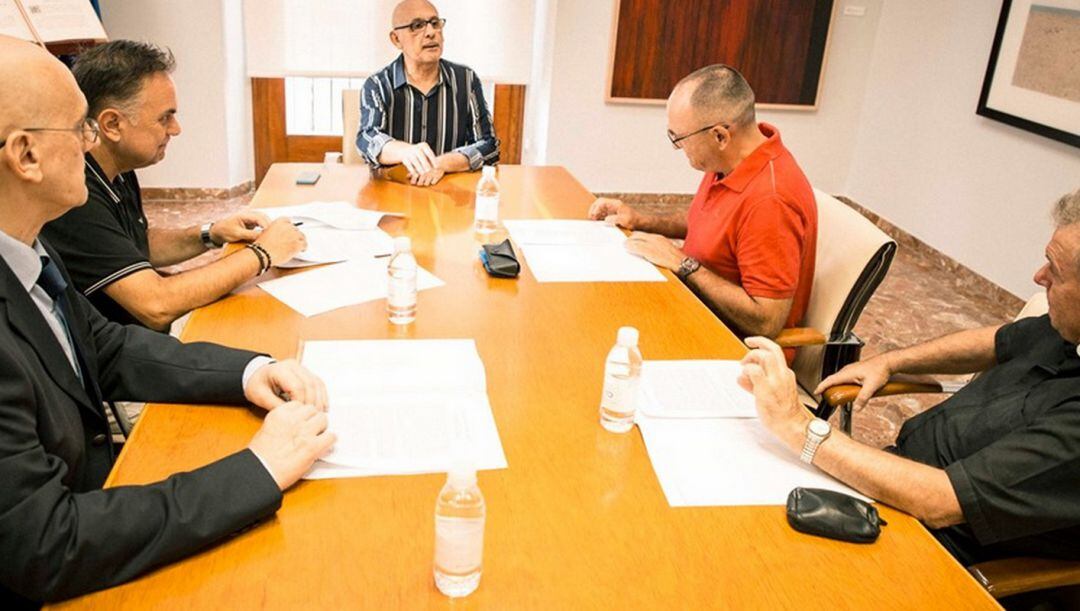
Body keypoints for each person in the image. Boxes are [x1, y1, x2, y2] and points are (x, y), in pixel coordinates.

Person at [0, 36, 335, 606]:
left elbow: (104, 347)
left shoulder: (27, 245)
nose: (89, 143)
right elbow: (45, 546)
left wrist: (249, 371)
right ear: (26, 155)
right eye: (78, 128)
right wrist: (257, 469)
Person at [739, 188, 1080, 565]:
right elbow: (997, 340)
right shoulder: (1065, 326)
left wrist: (797, 426)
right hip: (896, 478)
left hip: (931, 541)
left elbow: (939, 502)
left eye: (1055, 270)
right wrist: (891, 362)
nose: (1039, 276)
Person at [42, 40, 306, 331]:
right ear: (112, 124)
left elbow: (133, 244)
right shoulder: (75, 195)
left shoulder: (115, 164)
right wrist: (262, 254)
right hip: (119, 356)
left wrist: (210, 233)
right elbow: (155, 304)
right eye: (164, 117)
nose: (175, 129)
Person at [588, 65, 816, 343]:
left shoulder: (771, 199)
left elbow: (766, 321)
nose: (677, 148)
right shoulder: (730, 160)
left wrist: (682, 263)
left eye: (679, 139)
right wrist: (640, 219)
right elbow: (710, 222)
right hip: (690, 305)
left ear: (720, 136)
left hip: (729, 344)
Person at [356, 0, 500, 187]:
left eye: (435, 23)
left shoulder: (466, 79)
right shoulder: (377, 85)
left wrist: (441, 164)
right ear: (396, 39)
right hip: (395, 190)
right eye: (417, 26)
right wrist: (405, 152)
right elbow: (367, 138)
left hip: (450, 191)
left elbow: (488, 145)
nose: (431, 32)